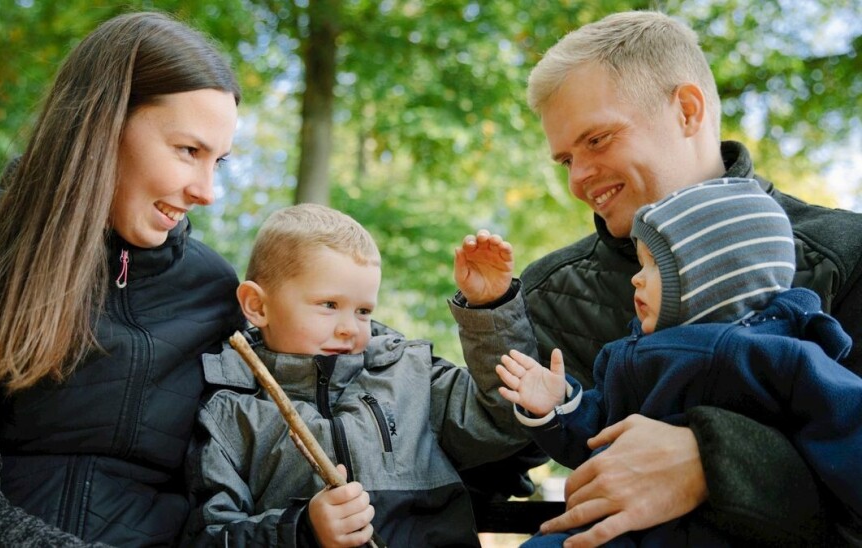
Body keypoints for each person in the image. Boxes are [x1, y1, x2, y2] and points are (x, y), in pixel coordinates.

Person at [513, 10, 862, 547]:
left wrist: (714, 463)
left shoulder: (849, 254)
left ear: (687, 110)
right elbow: (495, 453)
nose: (578, 179)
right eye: (565, 159)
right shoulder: (550, 296)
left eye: (598, 139)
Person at [0, 12, 246, 546]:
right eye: (188, 151)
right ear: (103, 126)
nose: (207, 191)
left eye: (218, 161)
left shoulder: (218, 293)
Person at [495, 177, 862, 546]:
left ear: (711, 278)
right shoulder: (628, 355)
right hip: (620, 526)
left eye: (655, 266)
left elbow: (845, 425)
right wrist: (559, 407)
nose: (636, 280)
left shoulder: (772, 353)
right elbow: (599, 440)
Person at [182, 203, 535, 547]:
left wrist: (490, 311)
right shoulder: (230, 412)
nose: (350, 328)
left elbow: (503, 419)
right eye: (329, 305)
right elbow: (210, 535)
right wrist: (303, 531)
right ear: (257, 305)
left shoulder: (410, 375)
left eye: (364, 310)